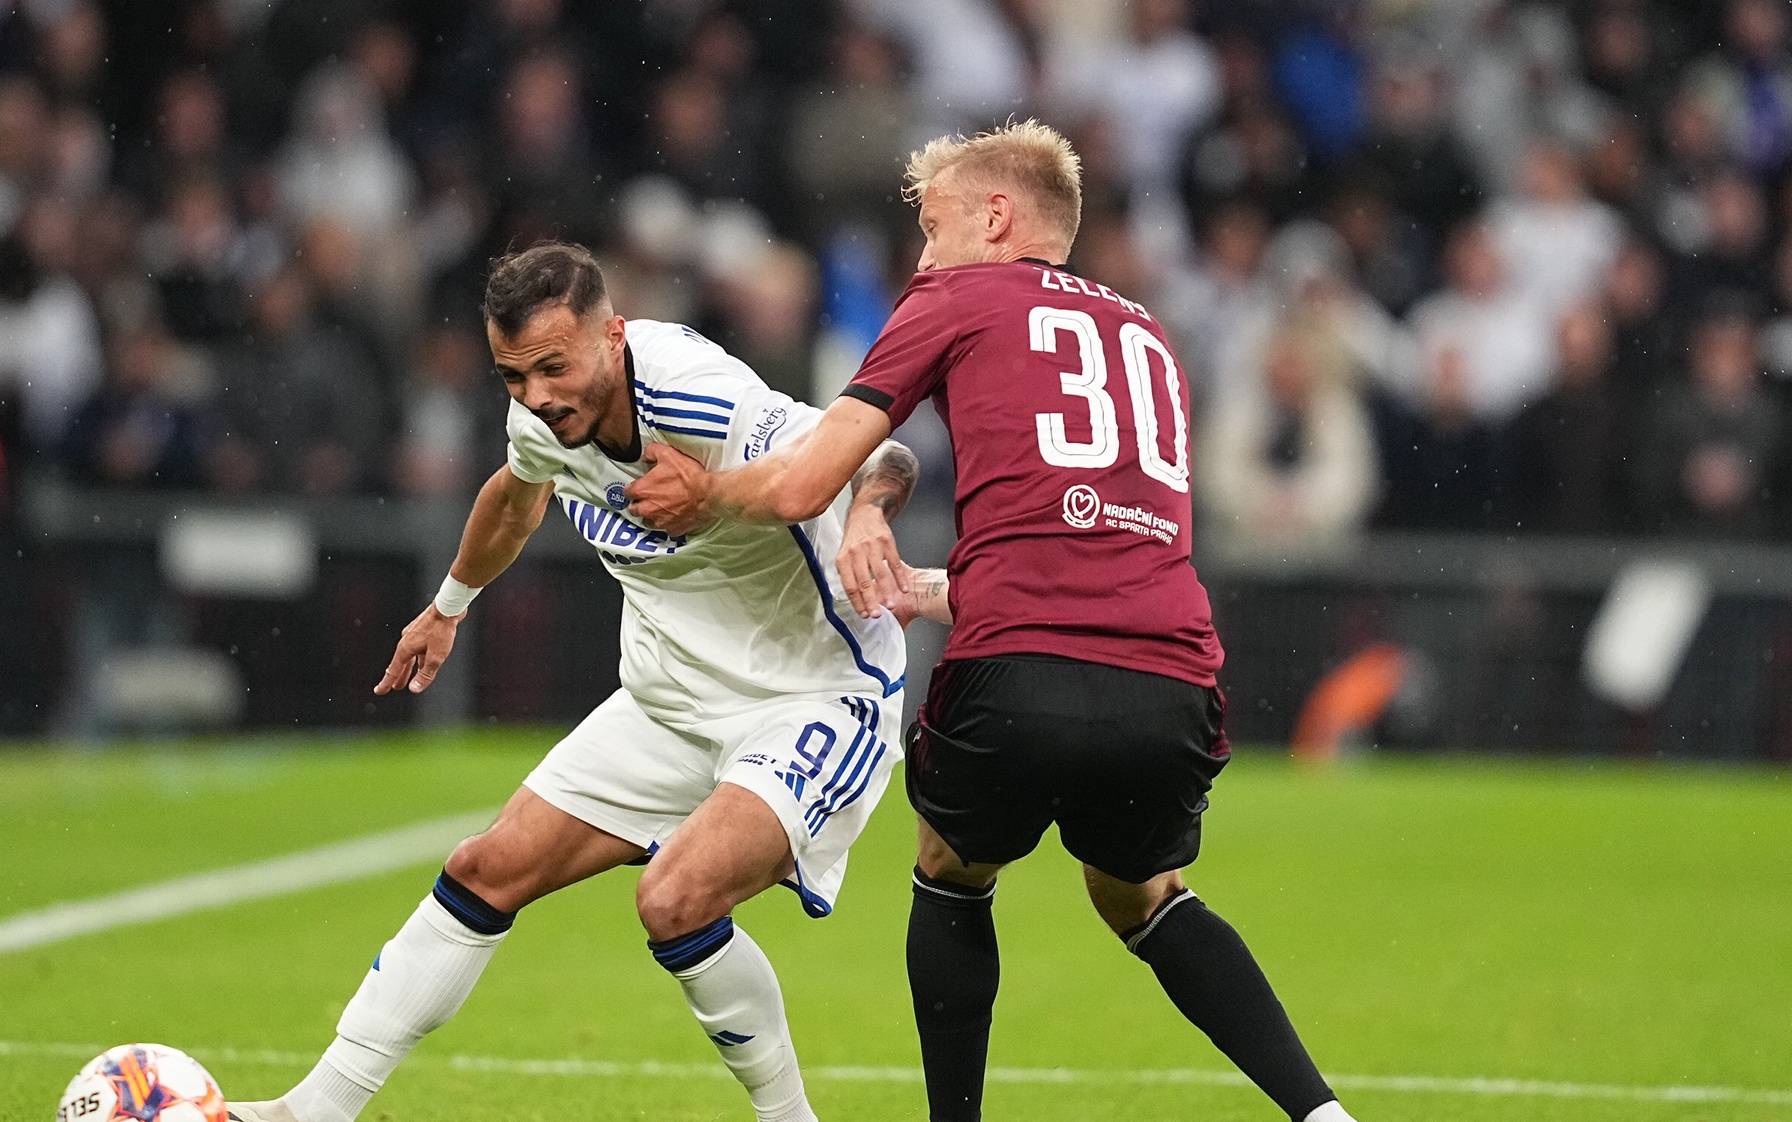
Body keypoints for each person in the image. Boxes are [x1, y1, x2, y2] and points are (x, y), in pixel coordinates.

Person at [627, 120, 1354, 1122]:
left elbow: (801, 483)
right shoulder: (1146, 337)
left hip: (1016, 675)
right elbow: (1083, 545)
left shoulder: (956, 295)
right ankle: (1320, 1114)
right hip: (1173, 676)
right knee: (1137, 892)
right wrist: (925, 585)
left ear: (996, 215)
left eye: (932, 227)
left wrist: (702, 494)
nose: (922, 255)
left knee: (949, 866)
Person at [227, 242, 921, 1122]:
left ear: (613, 335)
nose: (538, 396)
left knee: (674, 899)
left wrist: (845, 513)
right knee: (483, 869)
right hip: (669, 702)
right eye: (514, 377)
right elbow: (515, 497)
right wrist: (448, 606)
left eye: (553, 367)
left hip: (811, 695)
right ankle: (312, 1110)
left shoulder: (700, 394)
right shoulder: (543, 421)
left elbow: (878, 453)